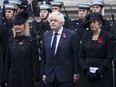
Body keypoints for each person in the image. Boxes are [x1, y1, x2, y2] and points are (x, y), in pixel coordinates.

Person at [41, 11, 80, 87]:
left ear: (61, 22)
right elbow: (43, 57)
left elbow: (76, 55)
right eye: (51, 21)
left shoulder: (71, 35)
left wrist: (76, 72)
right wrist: (43, 73)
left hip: (66, 76)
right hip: (50, 76)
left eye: (55, 20)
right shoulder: (46, 35)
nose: (52, 22)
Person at [4, 13, 40, 87]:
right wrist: (5, 78)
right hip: (13, 77)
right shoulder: (10, 41)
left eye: (20, 24)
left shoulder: (32, 41)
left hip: (27, 77)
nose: (17, 27)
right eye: (15, 25)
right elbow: (7, 62)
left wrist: (35, 79)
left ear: (25, 25)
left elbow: (35, 61)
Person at [79, 12, 114, 87]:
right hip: (87, 73)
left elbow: (109, 57)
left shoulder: (108, 36)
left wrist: (99, 71)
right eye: (90, 22)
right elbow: (81, 55)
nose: (92, 24)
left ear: (100, 24)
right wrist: (85, 69)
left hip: (103, 73)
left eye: (94, 22)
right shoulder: (86, 36)